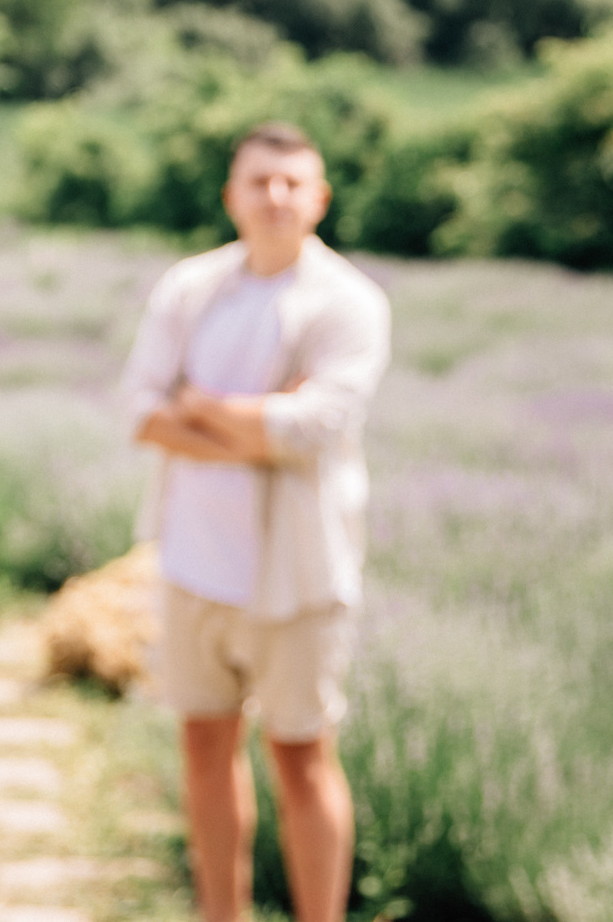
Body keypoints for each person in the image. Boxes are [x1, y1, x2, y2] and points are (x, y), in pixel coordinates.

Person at [120, 122, 390, 922]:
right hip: (192, 563)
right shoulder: (190, 287)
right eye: (259, 181)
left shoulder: (350, 302)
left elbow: (318, 425)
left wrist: (197, 404)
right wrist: (260, 426)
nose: (275, 196)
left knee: (302, 756)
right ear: (231, 195)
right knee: (203, 748)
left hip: (298, 574)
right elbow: (141, 409)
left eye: (292, 182)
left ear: (320, 197)